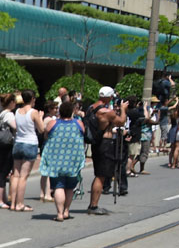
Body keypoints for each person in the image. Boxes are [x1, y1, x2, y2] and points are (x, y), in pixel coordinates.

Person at [41, 100, 86, 221]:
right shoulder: (78, 124)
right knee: (70, 187)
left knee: (58, 186)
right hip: (73, 159)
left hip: (56, 159)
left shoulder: (53, 123)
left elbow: (46, 135)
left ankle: (59, 213)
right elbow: (83, 135)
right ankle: (66, 211)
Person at [84, 86, 126, 215]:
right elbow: (121, 122)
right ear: (109, 97)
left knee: (99, 174)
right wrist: (123, 110)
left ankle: (93, 204)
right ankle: (94, 206)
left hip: (96, 143)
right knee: (101, 175)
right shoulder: (106, 112)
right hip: (105, 143)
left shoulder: (91, 108)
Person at [6, 88, 41, 212]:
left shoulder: (17, 111)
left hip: (18, 143)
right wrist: (41, 117)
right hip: (30, 143)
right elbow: (41, 129)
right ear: (32, 99)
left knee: (15, 175)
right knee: (23, 177)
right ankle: (20, 204)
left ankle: (13, 203)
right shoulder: (34, 112)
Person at [0, 93, 17, 209]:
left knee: (3, 171)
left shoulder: (1, 114)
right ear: (11, 102)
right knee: (3, 172)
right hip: (7, 145)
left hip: (2, 145)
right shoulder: (9, 115)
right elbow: (16, 126)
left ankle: (3, 198)